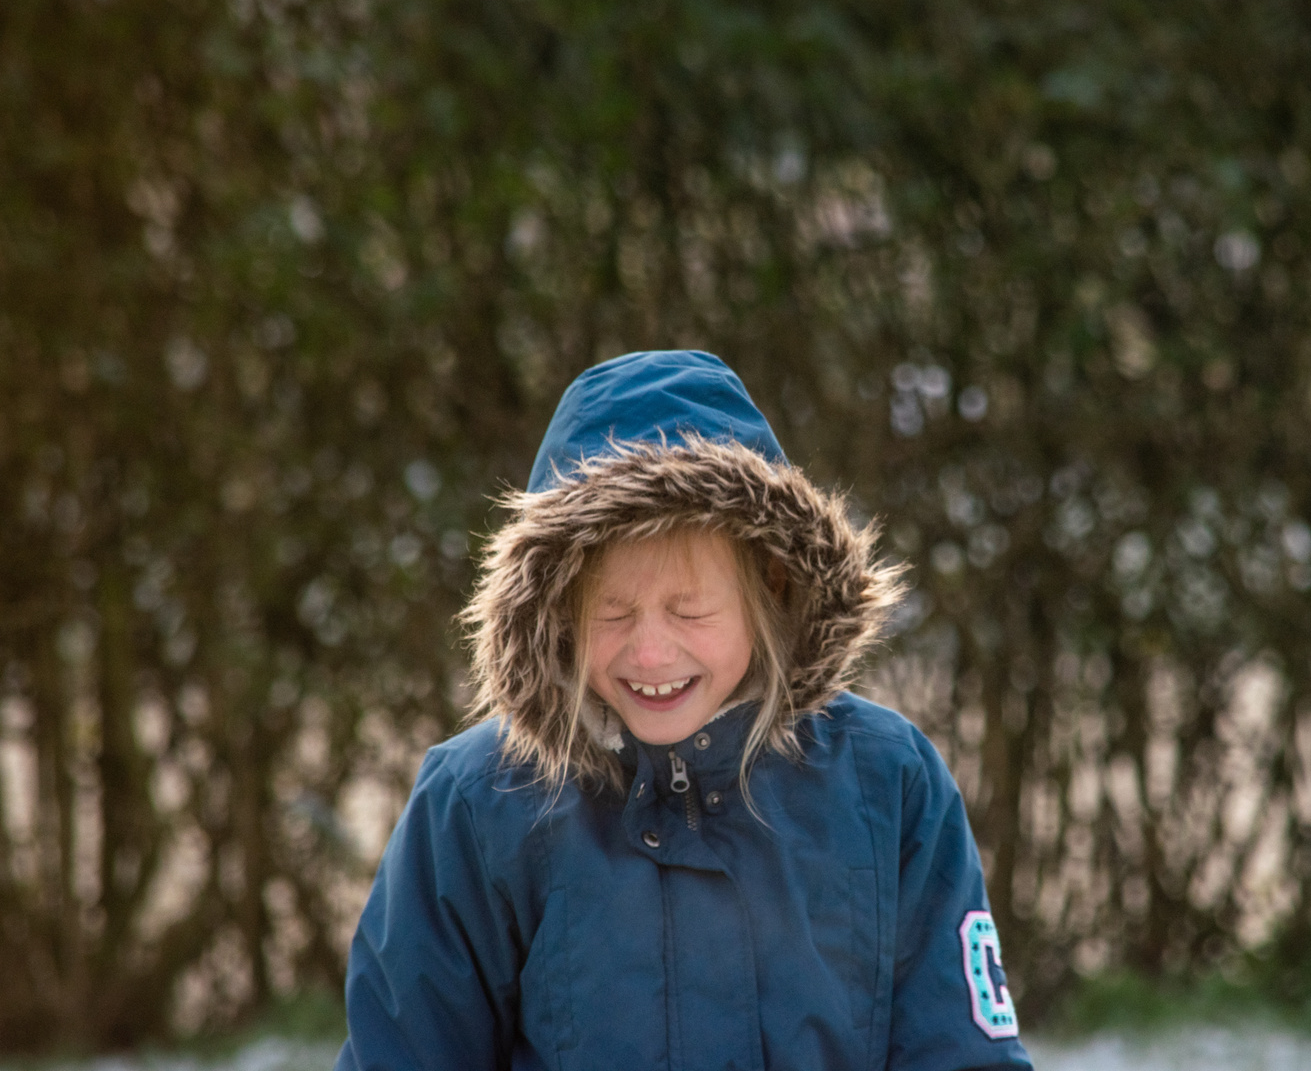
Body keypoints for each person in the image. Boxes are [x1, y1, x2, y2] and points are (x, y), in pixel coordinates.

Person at [335, 350, 1032, 1071]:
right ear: (557, 616)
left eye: (689, 608)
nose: (651, 654)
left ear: (772, 585)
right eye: (612, 613)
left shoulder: (887, 784)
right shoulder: (480, 804)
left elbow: (960, 1053)